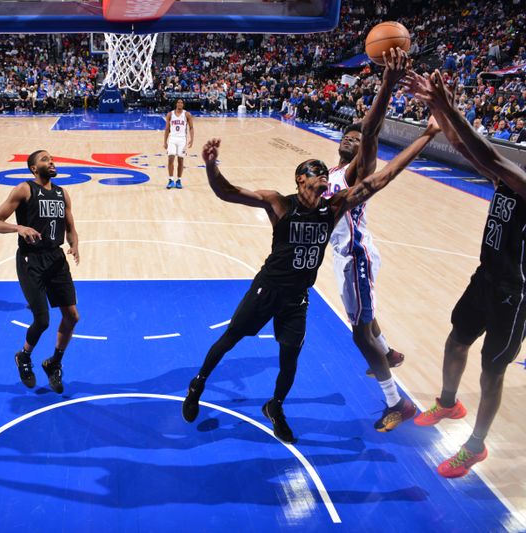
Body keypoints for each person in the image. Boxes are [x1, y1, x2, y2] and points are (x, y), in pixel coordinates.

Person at [182, 120, 440, 444]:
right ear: (299, 180)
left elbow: (384, 177)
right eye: (314, 173)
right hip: (267, 289)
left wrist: (427, 136)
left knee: (289, 360)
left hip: (297, 298)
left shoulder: (333, 208)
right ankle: (198, 384)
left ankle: (275, 407)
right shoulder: (279, 202)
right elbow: (228, 192)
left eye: (323, 173)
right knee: (231, 337)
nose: (321, 178)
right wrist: (210, 166)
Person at [404, 70, 526, 478]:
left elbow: (488, 157)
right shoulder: (512, 179)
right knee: (456, 341)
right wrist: (438, 107)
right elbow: (469, 150)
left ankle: (475, 446)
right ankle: (448, 402)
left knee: (492, 371)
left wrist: (450, 106)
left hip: (515, 293)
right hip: (486, 275)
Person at [322, 48, 412, 432]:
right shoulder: (332, 172)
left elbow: (371, 129)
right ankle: (388, 352)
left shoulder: (358, 172)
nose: (351, 138)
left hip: (357, 254)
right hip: (346, 257)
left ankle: (397, 402)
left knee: (359, 333)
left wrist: (386, 84)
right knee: (362, 320)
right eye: (347, 134)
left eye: (357, 139)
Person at [0, 150, 80, 394]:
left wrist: (74, 244)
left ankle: (54, 363)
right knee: (42, 320)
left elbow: (70, 226)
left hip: (56, 259)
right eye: (45, 160)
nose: (51, 162)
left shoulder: (62, 193)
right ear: (33, 168)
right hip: (31, 260)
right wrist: (19, 227)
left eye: (52, 159)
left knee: (72, 317)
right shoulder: (24, 190)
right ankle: (24, 356)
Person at [163, 99, 194, 190]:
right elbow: (167, 129)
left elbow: (191, 128)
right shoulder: (170, 114)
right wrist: (165, 141)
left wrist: (192, 139)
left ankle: (179, 180)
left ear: (183, 104)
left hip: (182, 139)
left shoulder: (187, 114)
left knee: (180, 160)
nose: (180, 104)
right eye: (178, 102)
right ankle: (171, 180)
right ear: (176, 104)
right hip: (172, 138)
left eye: (181, 103)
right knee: (170, 159)